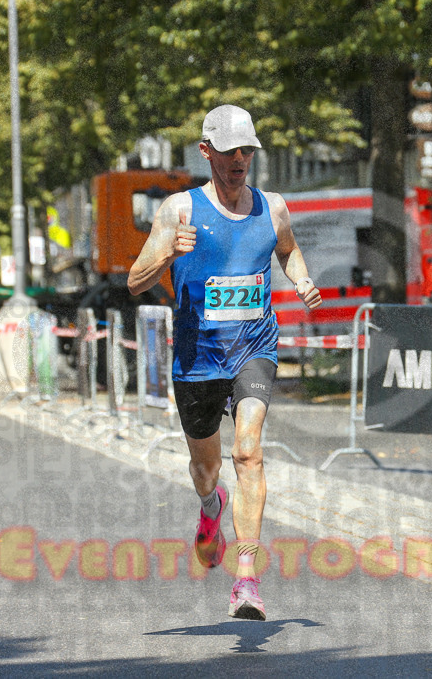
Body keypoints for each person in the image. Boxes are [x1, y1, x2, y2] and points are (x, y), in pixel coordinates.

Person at [127, 105, 322, 621]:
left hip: (254, 348)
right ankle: (210, 508)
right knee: (207, 469)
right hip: (197, 360)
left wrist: (301, 279)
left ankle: (246, 579)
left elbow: (288, 250)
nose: (239, 161)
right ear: (206, 152)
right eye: (230, 151)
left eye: (247, 151)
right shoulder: (179, 210)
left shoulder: (273, 207)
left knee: (249, 453)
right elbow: (134, 281)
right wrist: (168, 253)